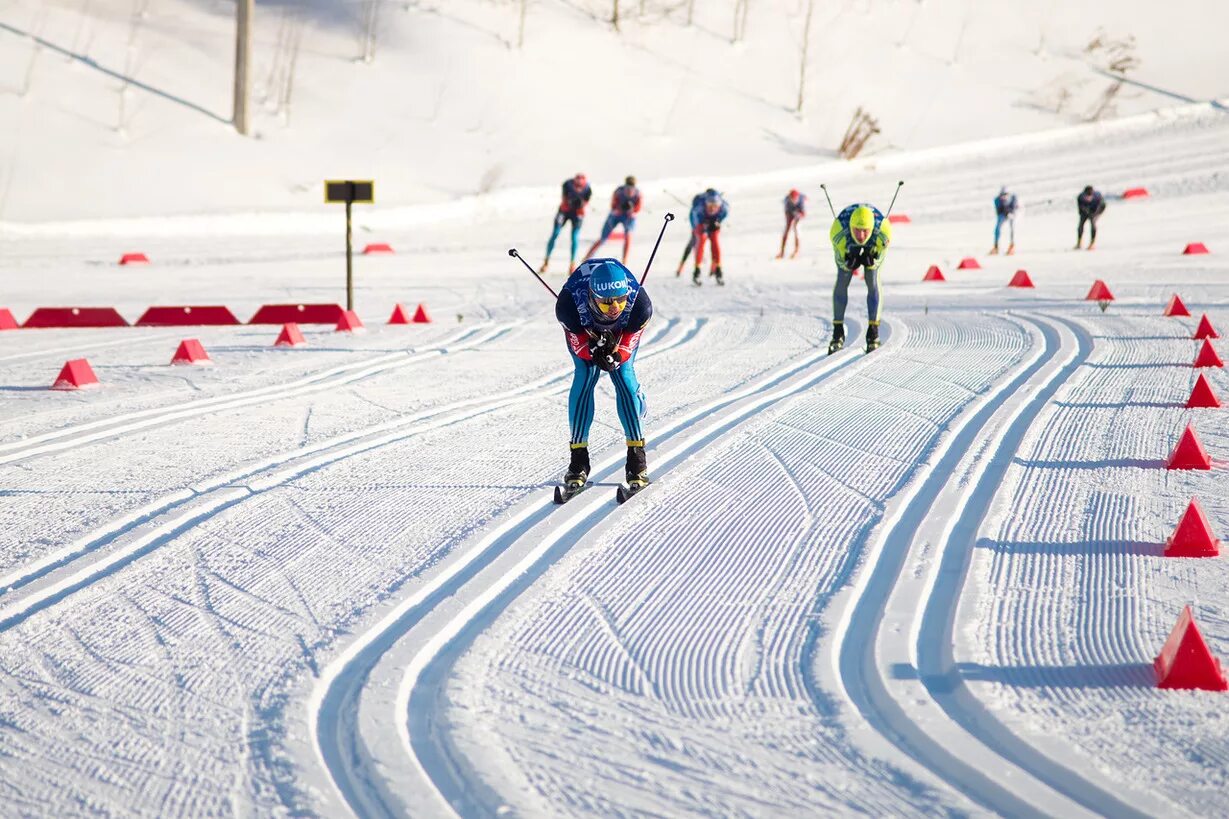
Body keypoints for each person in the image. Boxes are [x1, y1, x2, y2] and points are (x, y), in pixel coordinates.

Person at [555, 258, 653, 497]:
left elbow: (626, 347)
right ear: (591, 296)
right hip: (584, 327)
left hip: (622, 330)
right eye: (607, 302)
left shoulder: (639, 306)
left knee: (623, 375)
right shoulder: (568, 306)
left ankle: (636, 460)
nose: (615, 307)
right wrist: (594, 351)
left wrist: (615, 355)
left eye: (620, 300)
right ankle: (578, 460)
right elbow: (579, 347)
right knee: (586, 374)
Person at [828, 203, 892, 354]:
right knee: (843, 278)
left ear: (872, 229)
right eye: (857, 230)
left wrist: (873, 259)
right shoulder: (838, 232)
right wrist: (847, 262)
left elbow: (879, 257)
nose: (861, 236)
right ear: (851, 227)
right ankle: (837, 332)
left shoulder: (883, 231)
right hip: (846, 240)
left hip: (874, 242)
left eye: (865, 231)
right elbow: (840, 262)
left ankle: (873, 332)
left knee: (872, 278)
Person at [541, 173, 592, 273]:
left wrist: (580, 206)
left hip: (577, 213)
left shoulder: (588, 189)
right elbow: (564, 201)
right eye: (576, 186)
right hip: (564, 211)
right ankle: (546, 261)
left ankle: (572, 264)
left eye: (580, 187)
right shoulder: (567, 185)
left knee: (574, 237)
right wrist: (571, 203)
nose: (578, 188)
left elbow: (585, 203)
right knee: (555, 233)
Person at [584, 176, 642, 264]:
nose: (629, 191)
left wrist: (632, 211)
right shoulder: (619, 192)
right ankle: (587, 257)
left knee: (628, 236)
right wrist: (618, 209)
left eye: (632, 189)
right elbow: (613, 206)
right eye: (628, 189)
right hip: (616, 215)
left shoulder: (638, 194)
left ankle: (624, 261)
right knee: (603, 237)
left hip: (629, 217)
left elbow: (638, 209)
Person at [685, 189, 729, 285]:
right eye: (710, 206)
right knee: (701, 241)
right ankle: (697, 271)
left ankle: (718, 270)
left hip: (713, 222)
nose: (712, 208)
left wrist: (717, 222)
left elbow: (722, 217)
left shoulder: (724, 209)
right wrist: (703, 226)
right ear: (706, 204)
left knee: (715, 241)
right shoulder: (699, 209)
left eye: (715, 206)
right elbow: (695, 222)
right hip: (699, 222)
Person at [778, 189, 807, 259]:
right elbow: (787, 213)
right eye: (792, 199)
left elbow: (804, 214)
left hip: (798, 213)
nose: (794, 201)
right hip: (790, 212)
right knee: (786, 230)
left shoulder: (801, 200)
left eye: (795, 199)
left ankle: (796, 251)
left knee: (797, 229)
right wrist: (790, 220)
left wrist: (799, 215)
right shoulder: (787, 201)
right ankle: (782, 252)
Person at [1076, 185, 1106, 250]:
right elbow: (1080, 208)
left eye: (1090, 196)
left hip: (1096, 211)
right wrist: (1084, 212)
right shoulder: (1080, 197)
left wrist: (1096, 214)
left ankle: (1092, 244)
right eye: (1087, 196)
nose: (1088, 198)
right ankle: (1079, 243)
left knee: (1093, 224)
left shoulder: (1097, 196)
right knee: (1080, 225)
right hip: (1085, 212)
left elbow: (1103, 206)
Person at [991, 186, 1018, 255]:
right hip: (1002, 214)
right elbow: (998, 211)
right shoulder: (997, 200)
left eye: (1006, 194)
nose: (1004, 196)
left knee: (1013, 228)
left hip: (1012, 213)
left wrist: (1010, 212)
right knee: (997, 228)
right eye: (1002, 195)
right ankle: (996, 246)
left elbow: (1014, 208)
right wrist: (1005, 212)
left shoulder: (1013, 198)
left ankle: (1012, 246)